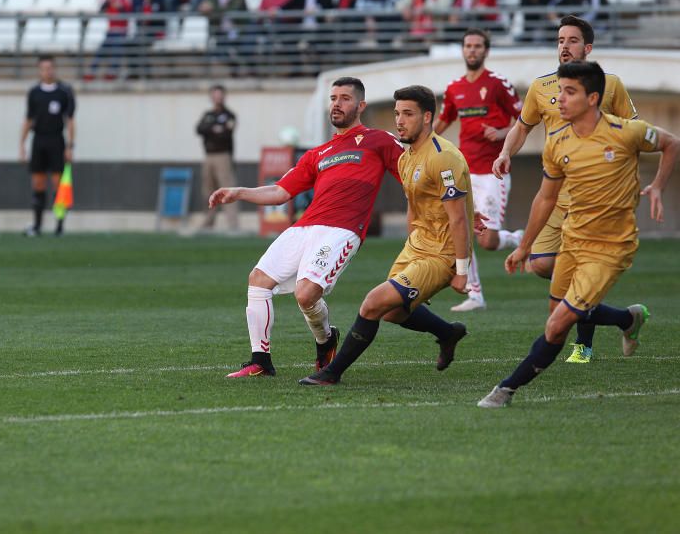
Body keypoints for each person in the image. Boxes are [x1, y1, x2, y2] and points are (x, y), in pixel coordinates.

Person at [478, 61, 678, 408]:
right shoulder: (557, 142)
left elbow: (671, 142)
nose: (560, 100)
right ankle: (627, 318)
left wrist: (657, 185)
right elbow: (546, 197)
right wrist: (524, 247)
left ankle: (505, 390)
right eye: (559, 92)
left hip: (611, 248)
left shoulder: (626, 131)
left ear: (593, 98)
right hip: (573, 241)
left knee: (557, 325)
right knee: (558, 316)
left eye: (569, 92)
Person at [210, 77, 403, 378]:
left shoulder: (379, 140)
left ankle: (325, 340)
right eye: (333, 98)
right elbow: (280, 192)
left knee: (305, 294)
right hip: (305, 227)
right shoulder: (318, 153)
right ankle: (261, 361)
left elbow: (413, 176)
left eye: (345, 98)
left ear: (361, 105)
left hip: (342, 230)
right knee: (258, 279)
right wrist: (239, 192)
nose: (337, 103)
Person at [299, 85, 472, 386]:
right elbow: (414, 208)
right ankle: (448, 332)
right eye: (396, 114)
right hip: (417, 247)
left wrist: (461, 271)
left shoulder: (445, 158)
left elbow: (458, 219)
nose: (399, 121)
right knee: (392, 312)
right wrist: (411, 253)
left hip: (442, 253)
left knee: (372, 303)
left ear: (427, 117)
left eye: (408, 114)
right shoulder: (406, 158)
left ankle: (331, 373)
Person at [493, 15, 641, 363]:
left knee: (577, 268)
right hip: (556, 195)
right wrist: (504, 152)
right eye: (560, 40)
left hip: (596, 199)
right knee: (542, 265)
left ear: (587, 48)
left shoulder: (611, 85)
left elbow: (632, 133)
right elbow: (522, 127)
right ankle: (625, 318)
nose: (564, 46)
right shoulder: (542, 87)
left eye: (572, 40)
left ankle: (583, 346)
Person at [434, 28, 523, 311]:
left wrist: (501, 133)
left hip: (494, 171)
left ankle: (521, 239)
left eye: (477, 46)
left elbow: (526, 120)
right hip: (464, 171)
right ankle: (476, 295)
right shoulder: (454, 88)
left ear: (486, 51)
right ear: (462, 50)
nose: (472, 50)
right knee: (460, 231)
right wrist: (420, 143)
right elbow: (443, 121)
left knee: (488, 241)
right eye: (468, 46)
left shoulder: (499, 84)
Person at [20, 56, 76, 237]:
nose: (47, 71)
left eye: (50, 68)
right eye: (44, 68)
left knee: (59, 184)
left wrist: (70, 146)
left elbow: (70, 120)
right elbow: (28, 120)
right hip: (39, 140)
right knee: (38, 182)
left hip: (56, 140)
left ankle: (59, 225)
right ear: (39, 70)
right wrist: (22, 144)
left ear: (55, 69)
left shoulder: (64, 91)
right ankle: (37, 225)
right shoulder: (34, 92)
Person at [196, 86, 239, 231]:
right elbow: (200, 129)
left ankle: (233, 224)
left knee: (228, 190)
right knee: (208, 190)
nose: (217, 98)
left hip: (223, 156)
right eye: (215, 95)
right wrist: (214, 128)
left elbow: (226, 133)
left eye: (220, 95)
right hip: (209, 156)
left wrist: (212, 129)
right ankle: (208, 222)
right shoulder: (207, 114)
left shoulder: (229, 115)